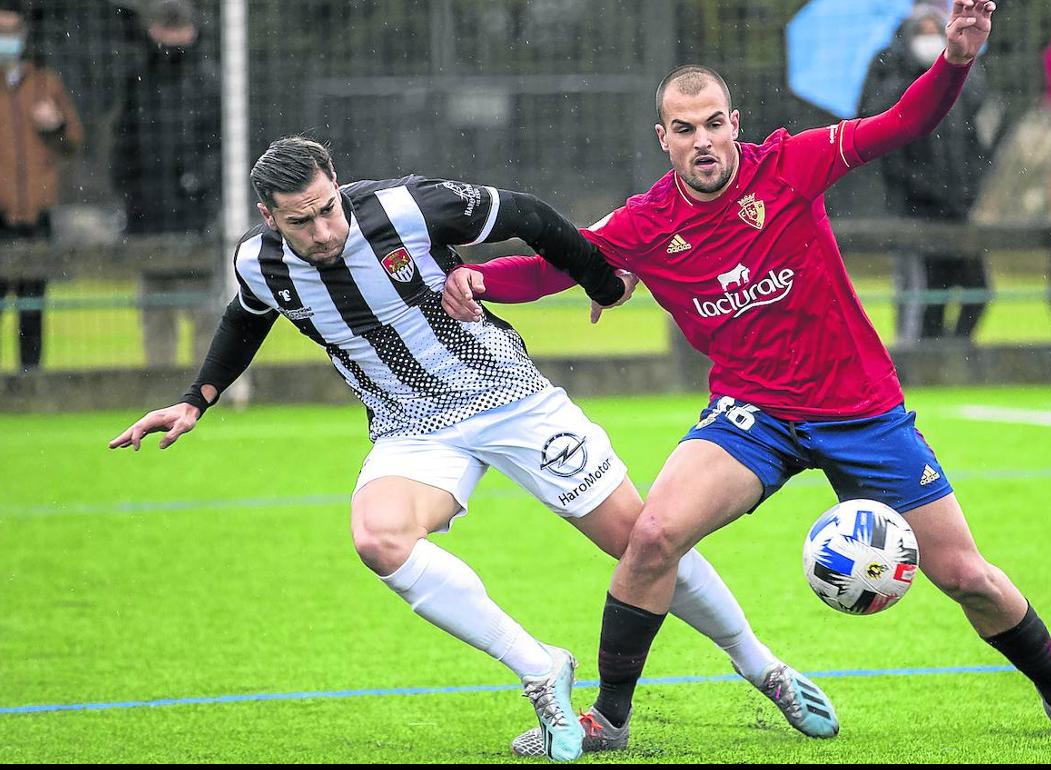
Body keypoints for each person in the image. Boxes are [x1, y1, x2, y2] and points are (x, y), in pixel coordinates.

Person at [444, 1, 1051, 754]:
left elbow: (901, 125)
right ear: (664, 139)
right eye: (684, 129)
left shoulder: (788, 163)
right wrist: (481, 283)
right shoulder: (645, 223)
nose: (703, 141)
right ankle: (609, 721)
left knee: (966, 575)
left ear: (734, 122)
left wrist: (955, 59)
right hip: (752, 415)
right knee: (653, 535)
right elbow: (556, 263)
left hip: (862, 411)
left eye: (714, 122)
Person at [107, 137, 834, 762]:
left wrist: (604, 282)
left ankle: (762, 667)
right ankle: (541, 668)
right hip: (410, 426)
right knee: (379, 539)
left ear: (337, 186)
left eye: (328, 208)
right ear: (271, 218)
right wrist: (196, 398)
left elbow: (526, 214)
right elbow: (247, 317)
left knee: (642, 540)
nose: (324, 230)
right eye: (303, 221)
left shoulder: (402, 208)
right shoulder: (258, 262)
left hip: (508, 396)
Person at [859, 1, 995, 342]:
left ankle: (951, 351)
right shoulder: (890, 79)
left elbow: (977, 137)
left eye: (937, 30)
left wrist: (967, 189)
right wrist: (923, 187)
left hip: (958, 209)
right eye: (924, 32)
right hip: (914, 210)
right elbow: (880, 142)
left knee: (976, 288)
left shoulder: (965, 78)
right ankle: (919, 362)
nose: (930, 37)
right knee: (921, 294)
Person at [111, 0, 222, 367]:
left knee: (205, 309)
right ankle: (157, 390)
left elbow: (224, 146)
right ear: (153, 31)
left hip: (197, 218)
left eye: (179, 28)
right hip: (148, 216)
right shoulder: (137, 81)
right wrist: (130, 195)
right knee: (156, 311)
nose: (172, 37)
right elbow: (123, 143)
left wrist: (201, 184)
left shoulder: (209, 81)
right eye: (166, 28)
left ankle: (204, 392)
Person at [0, 0, 83, 372]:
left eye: (12, 31)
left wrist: (55, 126)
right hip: (1, 212)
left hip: (37, 210)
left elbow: (74, 141)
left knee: (33, 304)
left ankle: (31, 382)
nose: (7, 39)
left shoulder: (44, 81)